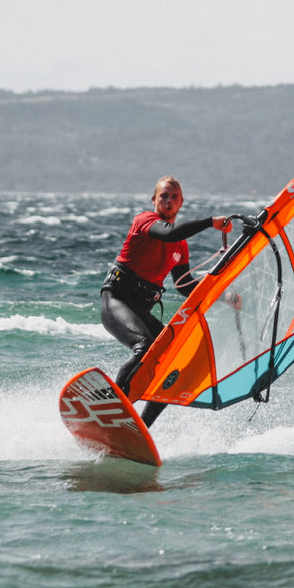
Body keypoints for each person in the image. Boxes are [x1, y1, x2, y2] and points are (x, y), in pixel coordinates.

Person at [101, 176, 232, 422]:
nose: (169, 200)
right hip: (116, 300)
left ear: (181, 203)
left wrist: (225, 296)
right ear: (154, 200)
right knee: (145, 347)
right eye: (164, 196)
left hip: (141, 310)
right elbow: (168, 234)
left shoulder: (180, 247)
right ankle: (113, 410)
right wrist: (209, 222)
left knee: (173, 361)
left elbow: (184, 286)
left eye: (174, 197)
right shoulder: (145, 221)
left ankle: (141, 426)